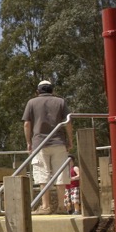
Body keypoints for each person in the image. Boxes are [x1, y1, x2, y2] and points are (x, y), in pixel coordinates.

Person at [22, 79, 74, 214]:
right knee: (60, 173)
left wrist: (28, 142)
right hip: (59, 142)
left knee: (42, 173)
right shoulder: (60, 102)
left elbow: (27, 124)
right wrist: (70, 140)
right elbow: (68, 123)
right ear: (52, 90)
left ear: (38, 91)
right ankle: (62, 207)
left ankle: (45, 206)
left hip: (39, 144)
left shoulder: (31, 102)